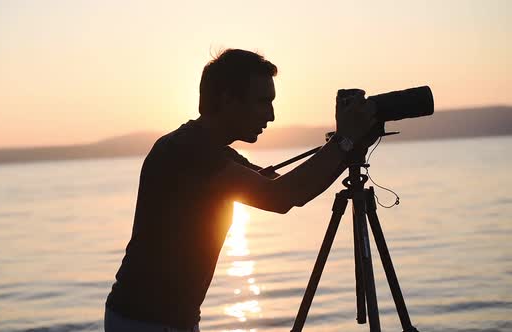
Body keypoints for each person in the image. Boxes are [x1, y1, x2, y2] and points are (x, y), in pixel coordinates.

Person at [105, 49, 377, 332]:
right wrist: (344, 141)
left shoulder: (208, 148)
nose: (271, 115)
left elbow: (286, 187)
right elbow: (283, 196)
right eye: (263, 102)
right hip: (144, 322)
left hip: (163, 320)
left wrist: (347, 146)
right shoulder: (189, 151)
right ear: (227, 99)